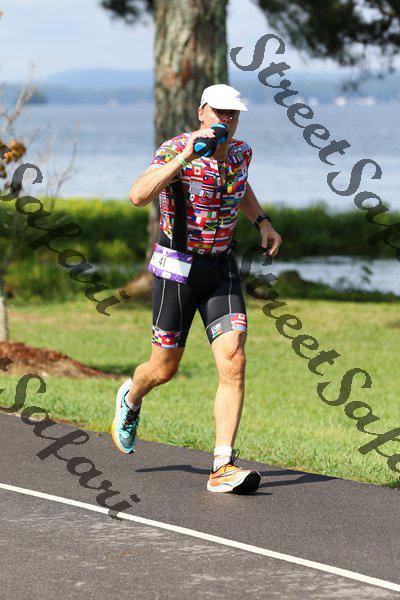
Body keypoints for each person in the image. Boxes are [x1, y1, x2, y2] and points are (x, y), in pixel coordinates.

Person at [111, 84, 282, 493]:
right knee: (163, 369)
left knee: (234, 358)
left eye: (233, 114)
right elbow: (137, 195)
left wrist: (262, 222)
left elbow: (241, 187)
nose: (226, 120)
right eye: (219, 112)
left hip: (220, 268)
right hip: (176, 270)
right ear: (201, 111)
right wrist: (185, 156)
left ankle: (222, 466)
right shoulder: (176, 149)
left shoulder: (241, 153)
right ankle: (131, 398)